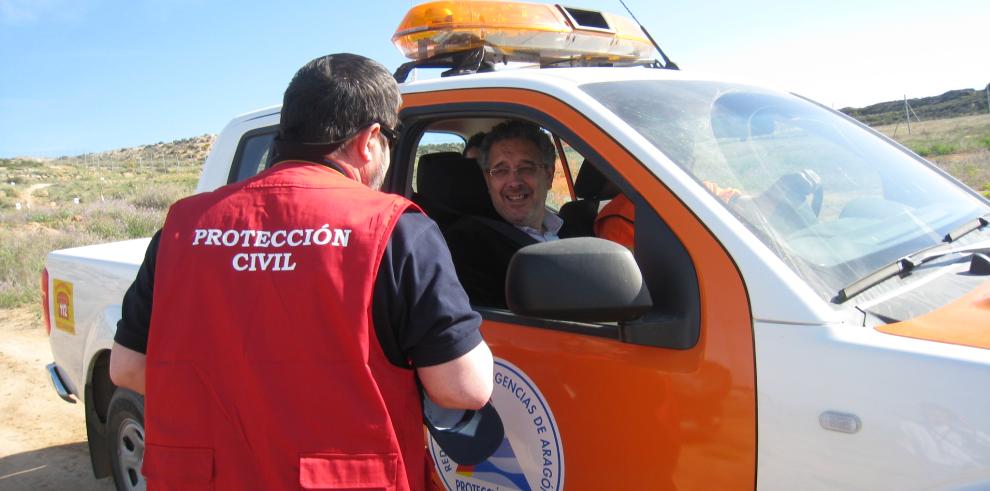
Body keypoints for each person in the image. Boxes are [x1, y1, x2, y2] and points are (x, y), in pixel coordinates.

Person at [108, 53, 493, 491]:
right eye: (390, 139)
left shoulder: (183, 228)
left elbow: (128, 368)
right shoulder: (394, 230)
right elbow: (464, 388)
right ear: (369, 141)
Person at [445, 120, 561, 307]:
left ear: (549, 175)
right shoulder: (468, 246)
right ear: (487, 180)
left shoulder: (574, 226)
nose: (514, 182)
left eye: (526, 168)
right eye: (500, 171)